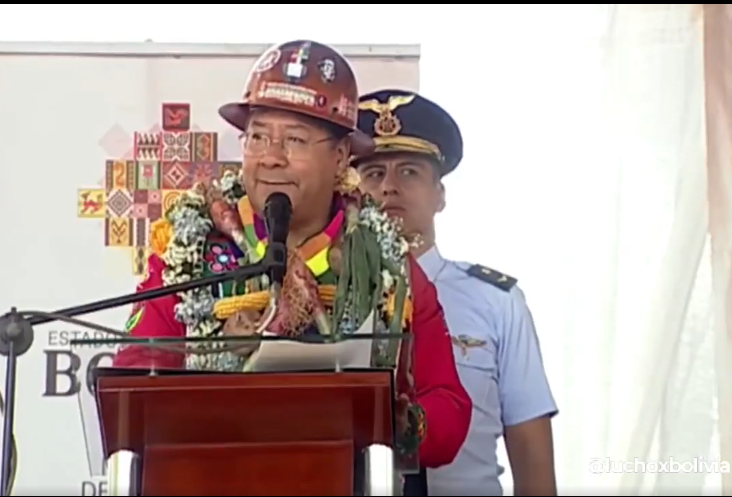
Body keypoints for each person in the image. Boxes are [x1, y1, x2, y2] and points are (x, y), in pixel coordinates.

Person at [112, 41, 472, 485]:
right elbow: (131, 378)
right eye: (258, 136)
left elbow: (449, 408)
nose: (270, 156)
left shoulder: (386, 262)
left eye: (294, 140)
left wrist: (389, 419)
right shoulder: (189, 248)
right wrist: (212, 366)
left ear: (341, 156)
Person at [354, 89, 558, 496]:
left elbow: (534, 465)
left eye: (409, 171)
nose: (389, 187)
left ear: (440, 196)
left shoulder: (498, 303)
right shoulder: (326, 302)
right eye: (374, 174)